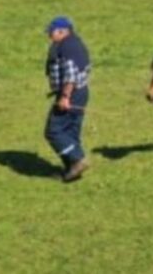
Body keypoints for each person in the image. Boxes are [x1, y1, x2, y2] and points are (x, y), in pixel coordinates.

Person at [43, 16, 92, 182]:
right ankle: (71, 171)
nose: (49, 35)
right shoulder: (76, 43)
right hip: (81, 91)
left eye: (51, 32)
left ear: (63, 31)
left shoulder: (67, 46)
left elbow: (70, 74)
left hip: (71, 93)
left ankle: (78, 160)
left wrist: (65, 96)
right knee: (71, 132)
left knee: (54, 131)